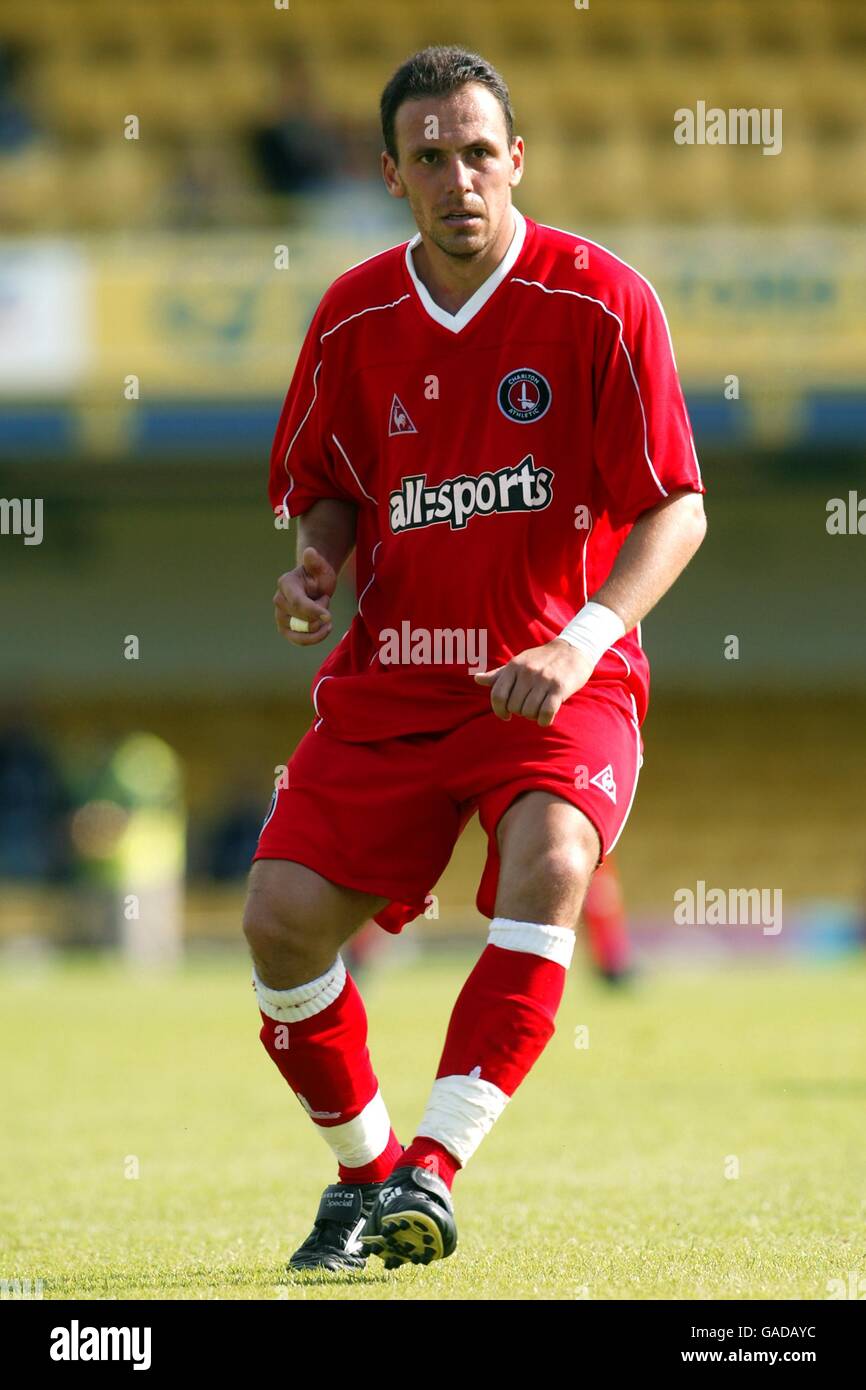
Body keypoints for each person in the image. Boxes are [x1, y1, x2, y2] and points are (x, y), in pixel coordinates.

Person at [242, 46, 707, 1273]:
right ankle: (368, 1175)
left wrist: (580, 639)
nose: (460, 177)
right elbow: (328, 488)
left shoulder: (600, 301)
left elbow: (676, 506)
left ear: (518, 161)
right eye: (431, 157)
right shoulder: (351, 314)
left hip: (555, 675)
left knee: (553, 855)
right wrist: (315, 569)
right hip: (395, 674)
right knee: (280, 923)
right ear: (392, 173)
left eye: (479, 153)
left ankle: (435, 1167)